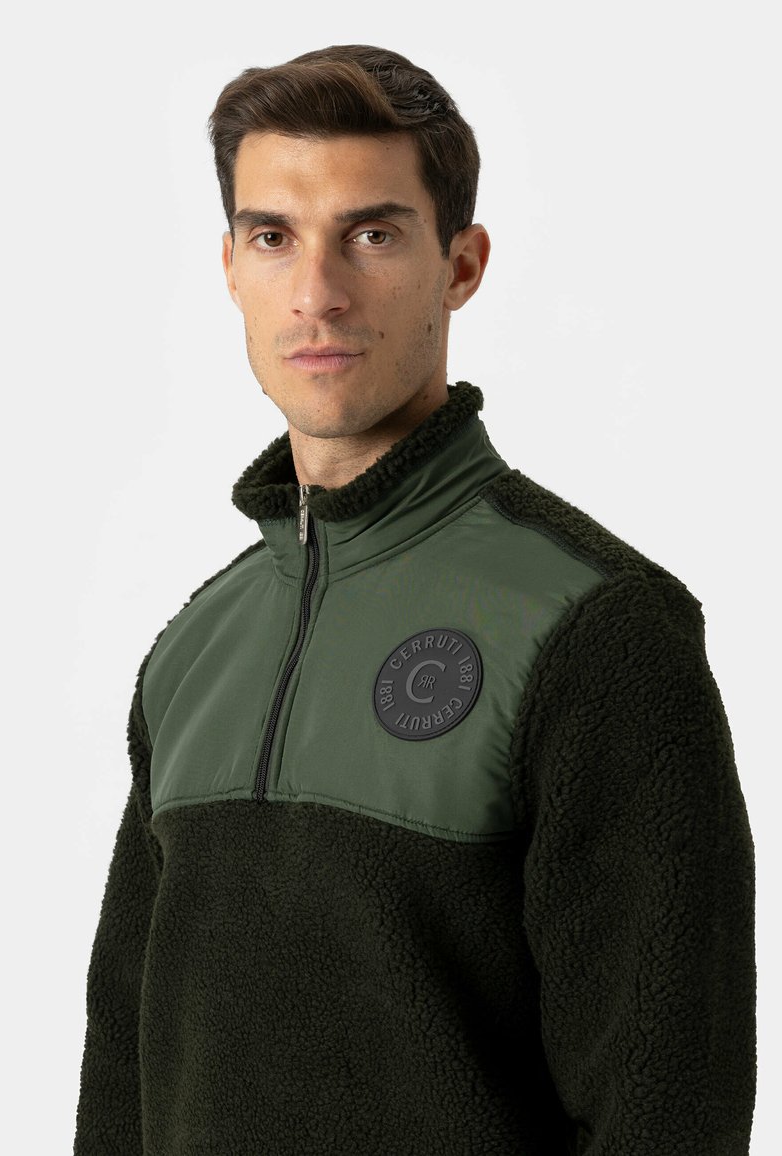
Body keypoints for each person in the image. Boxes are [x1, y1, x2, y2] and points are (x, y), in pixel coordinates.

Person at [74, 45, 756, 1155]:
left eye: (373, 235)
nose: (317, 292)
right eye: (273, 237)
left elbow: (666, 1105)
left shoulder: (596, 628)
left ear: (461, 264)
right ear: (231, 267)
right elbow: (121, 1083)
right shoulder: (194, 650)